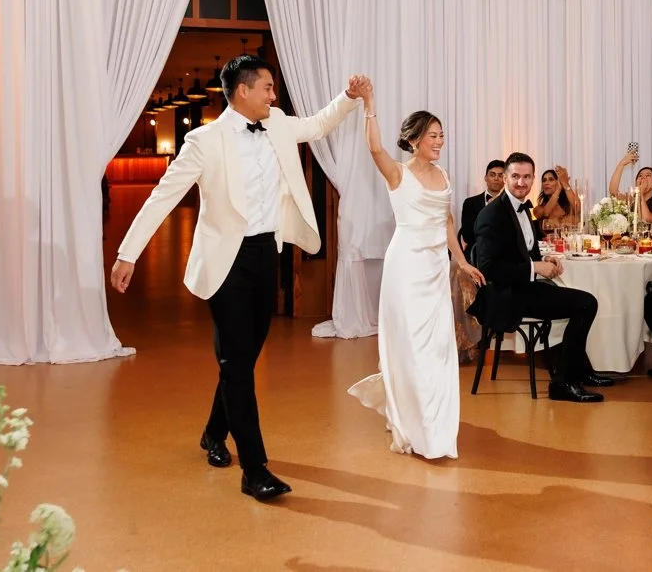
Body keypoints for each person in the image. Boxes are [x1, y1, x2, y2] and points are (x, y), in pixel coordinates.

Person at [109, 57, 367, 500]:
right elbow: (163, 196)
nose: (273, 95)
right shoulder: (204, 141)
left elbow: (319, 125)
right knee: (235, 361)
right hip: (226, 261)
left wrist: (348, 97)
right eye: (267, 88)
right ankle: (255, 469)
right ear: (243, 91)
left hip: (266, 254)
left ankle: (214, 432)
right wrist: (127, 253)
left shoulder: (278, 123)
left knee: (242, 359)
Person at [346, 103, 483, 460]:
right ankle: (410, 421)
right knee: (412, 348)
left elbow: (447, 221)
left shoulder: (444, 176)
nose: (439, 142)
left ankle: (435, 426)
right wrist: (369, 106)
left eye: (441, 136)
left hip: (435, 269)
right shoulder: (398, 174)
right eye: (432, 136)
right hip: (405, 269)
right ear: (414, 140)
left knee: (437, 348)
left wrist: (461, 261)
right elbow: (374, 147)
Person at [466, 153, 610, 402]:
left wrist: (545, 259)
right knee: (586, 304)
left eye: (526, 177)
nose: (521, 182)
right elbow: (489, 269)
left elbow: (525, 249)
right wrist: (535, 268)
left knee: (584, 300)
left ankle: (579, 371)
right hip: (505, 295)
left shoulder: (525, 208)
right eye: (515, 176)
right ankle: (563, 384)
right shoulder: (492, 215)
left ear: (533, 178)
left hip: (522, 288)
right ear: (506, 178)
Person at [607, 146, 652, 227]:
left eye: (648, 175)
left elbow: (647, 221)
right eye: (640, 175)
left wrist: (640, 193)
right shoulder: (631, 200)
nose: (643, 178)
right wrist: (621, 164)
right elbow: (613, 192)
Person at [459, 159, 507, 257]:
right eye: (492, 175)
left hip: (504, 254)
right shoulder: (470, 203)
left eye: (500, 175)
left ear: (505, 179)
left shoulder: (510, 203)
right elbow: (467, 236)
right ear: (486, 178)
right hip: (477, 253)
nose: (496, 179)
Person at [533, 164, 582, 231]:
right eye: (544, 180)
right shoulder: (538, 209)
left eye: (551, 179)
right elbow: (546, 213)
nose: (546, 183)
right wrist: (558, 189)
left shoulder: (568, 205)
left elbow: (578, 208)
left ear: (558, 182)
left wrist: (565, 183)